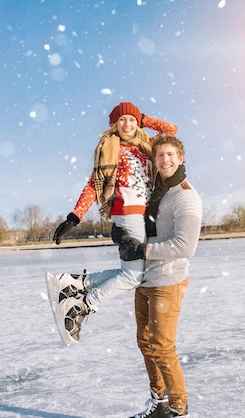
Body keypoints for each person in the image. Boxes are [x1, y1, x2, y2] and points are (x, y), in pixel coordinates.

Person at [51, 102, 177, 344]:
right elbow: (94, 183)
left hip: (144, 216)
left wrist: (144, 119)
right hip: (127, 212)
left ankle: (74, 283)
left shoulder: (146, 147)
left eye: (131, 120)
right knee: (134, 277)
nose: (127, 125)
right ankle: (81, 306)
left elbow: (171, 130)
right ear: (114, 124)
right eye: (122, 120)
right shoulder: (111, 148)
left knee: (131, 273)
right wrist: (75, 216)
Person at [118, 135, 202, 418]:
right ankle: (161, 403)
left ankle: (180, 410)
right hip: (145, 279)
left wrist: (143, 250)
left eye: (170, 155)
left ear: (180, 159)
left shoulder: (186, 195)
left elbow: (185, 246)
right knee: (145, 342)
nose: (165, 160)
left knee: (162, 347)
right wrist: (124, 232)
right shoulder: (157, 192)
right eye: (160, 156)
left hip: (168, 280)